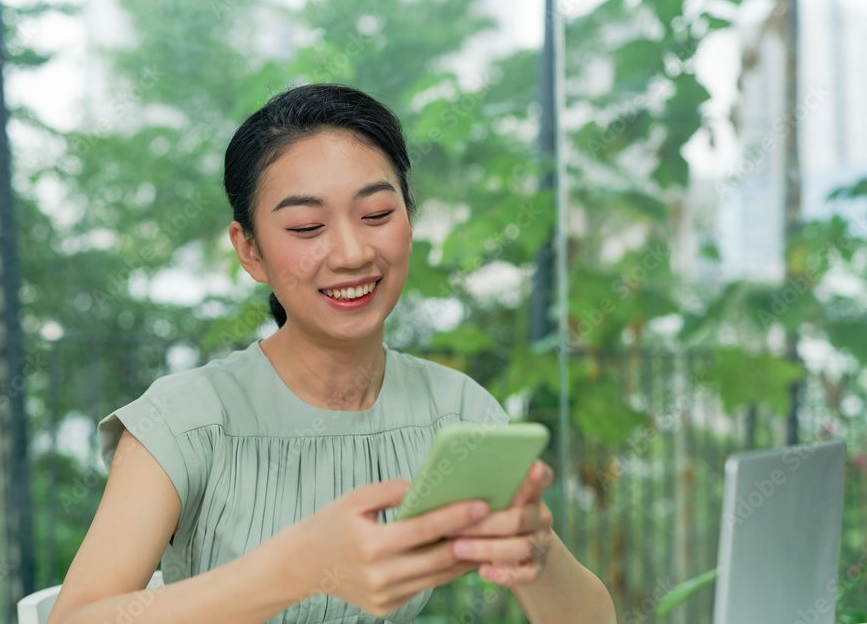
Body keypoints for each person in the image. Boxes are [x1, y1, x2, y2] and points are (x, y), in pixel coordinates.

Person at [47, 83, 616, 623]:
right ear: (250, 251)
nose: (350, 252)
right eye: (307, 226)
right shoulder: (186, 419)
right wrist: (295, 569)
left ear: (409, 221)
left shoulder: (456, 415)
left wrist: (533, 549)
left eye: (376, 216)